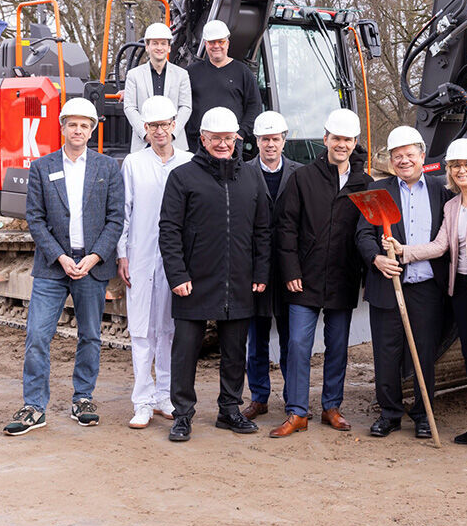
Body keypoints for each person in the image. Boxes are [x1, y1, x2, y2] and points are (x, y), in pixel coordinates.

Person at [386, 139, 467, 456]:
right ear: (450, 170)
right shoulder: (451, 206)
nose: (462, 170)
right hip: (459, 289)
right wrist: (404, 251)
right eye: (456, 166)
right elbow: (440, 246)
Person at [3, 98, 125, 436]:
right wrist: (60, 256)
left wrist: (95, 256)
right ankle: (34, 406)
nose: (78, 130)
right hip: (52, 266)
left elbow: (116, 219)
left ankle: (83, 397)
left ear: (91, 130)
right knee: (38, 335)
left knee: (90, 335)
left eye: (84, 125)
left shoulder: (107, 168)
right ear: (62, 127)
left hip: (91, 265)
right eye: (72, 124)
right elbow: (35, 219)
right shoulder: (42, 167)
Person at [159, 107, 271, 442]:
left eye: (228, 138)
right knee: (186, 351)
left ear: (236, 138)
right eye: (215, 138)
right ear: (203, 139)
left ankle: (230, 410)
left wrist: (260, 270)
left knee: (235, 350)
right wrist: (177, 275)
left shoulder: (251, 176)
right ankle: (182, 415)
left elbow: (263, 229)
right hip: (194, 280)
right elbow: (169, 230)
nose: (222, 144)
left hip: (238, 278)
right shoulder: (182, 177)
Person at [269, 109, 372, 437]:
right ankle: (297, 411)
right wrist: (290, 269)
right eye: (336, 138)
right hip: (305, 277)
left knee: (338, 345)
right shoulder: (303, 179)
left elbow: (368, 233)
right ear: (325, 139)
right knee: (298, 343)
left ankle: (331, 406)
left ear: (355, 143)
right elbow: (285, 228)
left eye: (348, 140)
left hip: (343, 276)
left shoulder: (363, 184)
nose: (341, 144)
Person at [355, 126, 453, 440]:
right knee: (386, 353)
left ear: (422, 156)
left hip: (426, 288)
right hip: (387, 285)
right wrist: (376, 258)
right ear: (391, 160)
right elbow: (363, 235)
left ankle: (423, 414)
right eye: (398, 156)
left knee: (424, 352)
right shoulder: (378, 191)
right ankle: (390, 413)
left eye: (410, 154)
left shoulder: (441, 190)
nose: (404, 161)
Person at [118, 96, 193, 429]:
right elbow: (124, 212)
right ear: (144, 129)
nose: (160, 131)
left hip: (177, 259)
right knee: (141, 331)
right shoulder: (134, 164)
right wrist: (122, 253)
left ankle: (165, 395)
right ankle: (142, 401)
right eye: (153, 126)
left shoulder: (190, 163)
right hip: (142, 256)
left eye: (165, 124)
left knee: (170, 331)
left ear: (174, 125)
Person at [240, 111, 302, 421]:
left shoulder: (300, 174)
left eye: (275, 139)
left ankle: (294, 399)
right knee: (257, 337)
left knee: (292, 338)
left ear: (284, 140)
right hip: (256, 271)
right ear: (256, 140)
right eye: (264, 139)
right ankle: (259, 397)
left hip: (289, 270)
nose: (270, 144)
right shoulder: (243, 172)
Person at [185, 19, 262, 151]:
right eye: (212, 42)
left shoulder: (242, 72)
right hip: (197, 145)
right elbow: (183, 106)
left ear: (228, 43)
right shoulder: (191, 72)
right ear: (205, 44)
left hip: (230, 145)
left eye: (221, 42)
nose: (216, 46)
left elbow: (254, 106)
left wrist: (241, 133)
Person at [122, 22, 192, 152]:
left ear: (169, 47)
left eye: (163, 43)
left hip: (175, 143)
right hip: (144, 144)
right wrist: (145, 134)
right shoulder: (134, 75)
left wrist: (171, 133)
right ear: (147, 47)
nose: (159, 47)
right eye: (155, 43)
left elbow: (185, 107)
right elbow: (130, 107)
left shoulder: (181, 75)